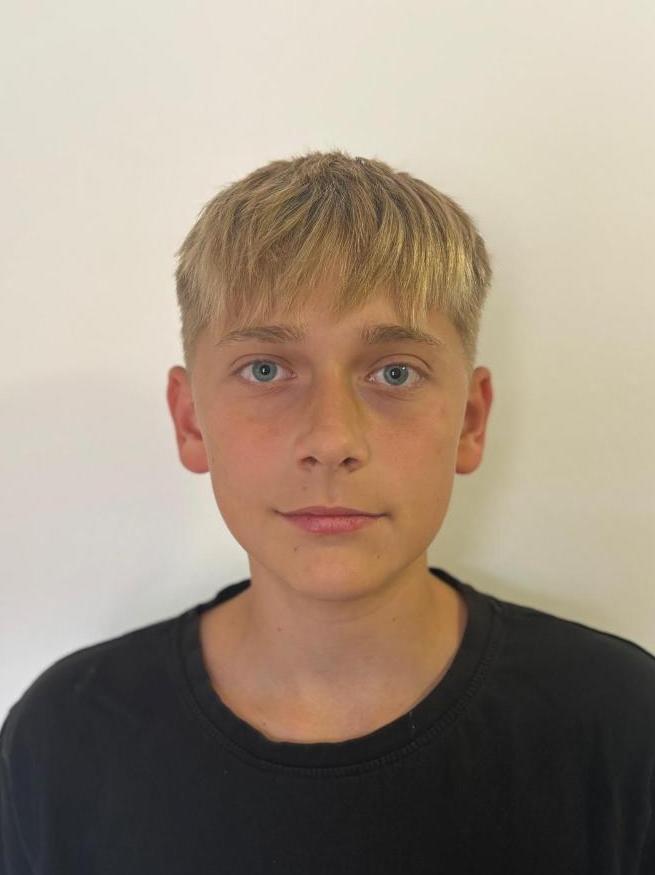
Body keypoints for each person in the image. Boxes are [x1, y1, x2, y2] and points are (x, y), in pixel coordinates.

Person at [1, 149, 653, 873]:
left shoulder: (621, 725)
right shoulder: (64, 739)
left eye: (395, 372)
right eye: (265, 370)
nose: (332, 439)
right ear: (190, 421)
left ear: (470, 420)